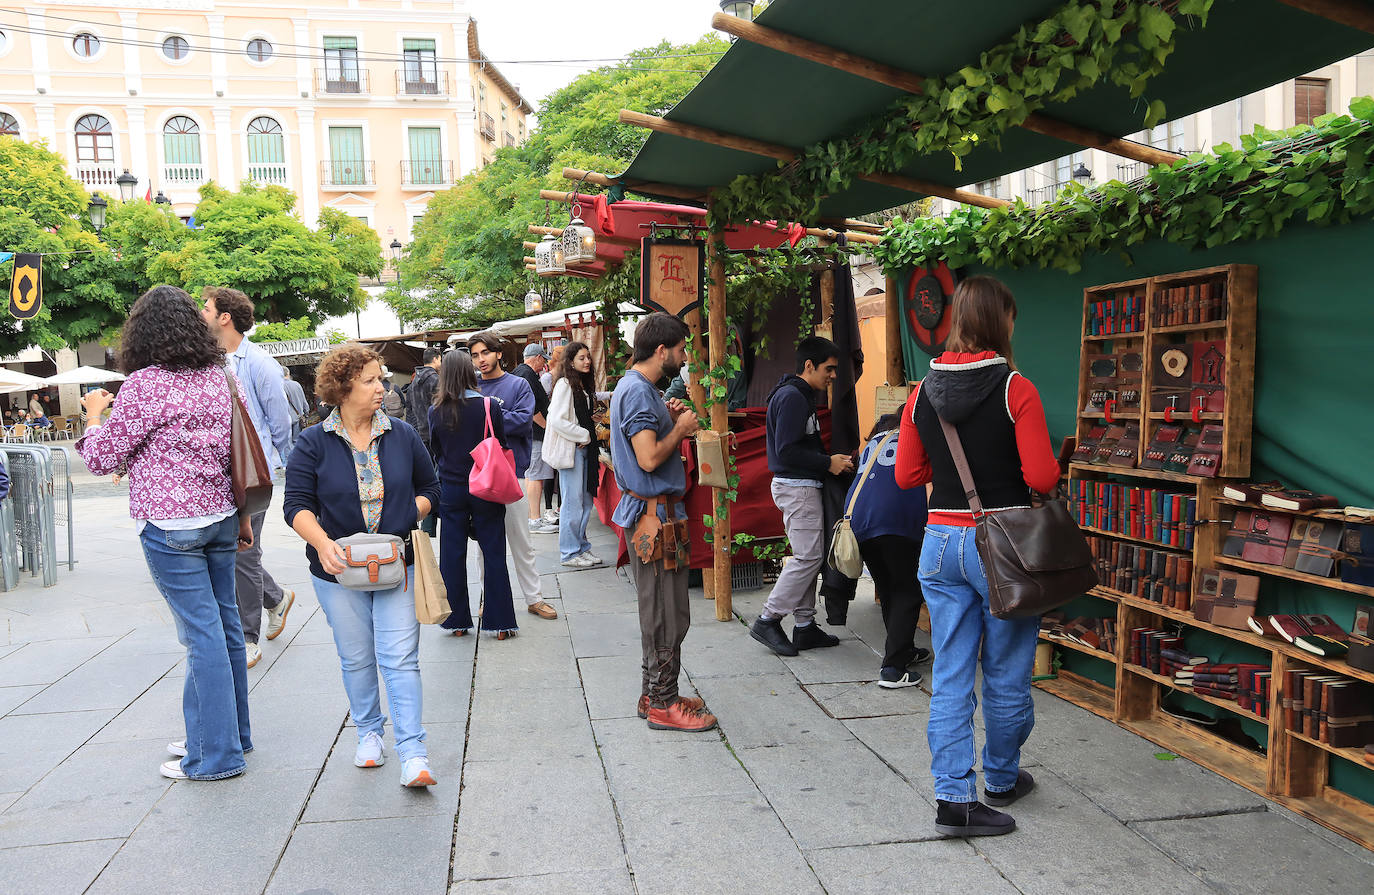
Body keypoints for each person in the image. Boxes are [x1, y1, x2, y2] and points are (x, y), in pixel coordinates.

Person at [894, 275, 1059, 837]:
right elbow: (1041, 476)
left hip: (940, 542)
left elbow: (906, 473)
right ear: (1000, 321)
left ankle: (953, 798)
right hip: (1004, 545)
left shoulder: (921, 392)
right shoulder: (1017, 389)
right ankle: (1002, 777)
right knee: (1008, 670)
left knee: (952, 671)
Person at [77, 285, 251, 781]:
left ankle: (215, 756)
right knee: (226, 627)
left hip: (172, 526)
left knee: (203, 637)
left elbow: (100, 457)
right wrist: (240, 517)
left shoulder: (144, 385)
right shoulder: (219, 376)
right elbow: (230, 452)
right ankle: (229, 733)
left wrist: (93, 417)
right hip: (220, 514)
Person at [283, 344, 441, 787]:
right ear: (343, 387)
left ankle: (414, 752)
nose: (381, 386)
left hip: (397, 566)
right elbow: (296, 504)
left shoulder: (403, 434)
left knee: (400, 659)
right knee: (355, 658)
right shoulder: (313, 441)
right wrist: (322, 543)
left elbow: (433, 487)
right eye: (371, 379)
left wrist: (410, 513)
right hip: (337, 571)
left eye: (380, 377)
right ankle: (369, 733)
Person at [610, 312, 716, 732]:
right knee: (665, 614)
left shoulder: (640, 388)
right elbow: (649, 457)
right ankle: (662, 702)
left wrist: (669, 418)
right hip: (654, 518)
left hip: (658, 515)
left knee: (662, 610)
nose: (685, 355)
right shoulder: (637, 391)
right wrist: (683, 426)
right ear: (661, 350)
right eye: (681, 348)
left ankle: (653, 692)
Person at [201, 286, 295, 666]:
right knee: (230, 548)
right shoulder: (209, 361)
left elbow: (280, 422)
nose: (201, 314)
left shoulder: (258, 363)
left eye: (206, 308)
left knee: (244, 551)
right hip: (222, 473)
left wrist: (272, 463)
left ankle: (247, 637)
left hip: (254, 473)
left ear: (225, 317)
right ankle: (276, 598)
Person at [749, 336, 855, 657]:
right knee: (808, 558)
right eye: (829, 368)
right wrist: (829, 463)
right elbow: (787, 450)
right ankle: (768, 619)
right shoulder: (794, 397)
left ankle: (805, 626)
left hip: (799, 486)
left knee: (808, 556)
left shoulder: (795, 394)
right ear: (809, 366)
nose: (833, 375)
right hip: (798, 487)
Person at [467, 332, 558, 621]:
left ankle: (534, 598)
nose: (481, 360)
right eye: (475, 355)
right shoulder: (471, 387)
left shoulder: (518, 384)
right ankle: (489, 598)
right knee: (484, 544)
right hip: (480, 475)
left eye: (485, 353)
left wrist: (485, 418)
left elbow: (522, 422)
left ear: (498, 354)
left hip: (512, 472)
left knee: (521, 541)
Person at [429, 350, 517, 639]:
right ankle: (500, 622)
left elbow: (436, 450)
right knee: (493, 552)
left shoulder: (436, 410)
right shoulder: (489, 406)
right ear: (469, 371)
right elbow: (501, 443)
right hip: (486, 486)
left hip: (452, 489)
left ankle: (456, 622)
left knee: (452, 555)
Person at [844, 413, 930, 689]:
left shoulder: (877, 439)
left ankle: (901, 649)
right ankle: (893, 668)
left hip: (859, 520)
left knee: (889, 589)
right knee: (907, 590)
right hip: (896, 520)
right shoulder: (916, 437)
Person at [546, 341, 601, 568]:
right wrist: (583, 434)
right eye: (581, 358)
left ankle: (580, 546)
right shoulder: (565, 385)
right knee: (572, 502)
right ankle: (569, 552)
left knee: (585, 500)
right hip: (573, 451)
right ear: (570, 361)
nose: (587, 361)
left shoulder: (580, 384)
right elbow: (556, 419)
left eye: (588, 357)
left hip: (583, 450)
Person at [511, 343, 558, 533]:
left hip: (529, 432)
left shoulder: (519, 372)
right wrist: (548, 428)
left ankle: (533, 517)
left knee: (532, 475)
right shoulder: (527, 375)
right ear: (537, 357)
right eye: (542, 361)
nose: (543, 366)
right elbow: (530, 408)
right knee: (536, 476)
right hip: (535, 432)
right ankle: (534, 519)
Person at [408, 347, 443, 537]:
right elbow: (441, 408)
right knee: (435, 479)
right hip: (435, 432)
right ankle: (429, 523)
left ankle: (428, 525)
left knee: (429, 479)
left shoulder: (414, 381)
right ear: (436, 359)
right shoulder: (435, 380)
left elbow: (411, 409)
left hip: (421, 433)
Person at [281, 366, 310, 461]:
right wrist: (306, 414)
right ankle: (299, 461)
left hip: (285, 419)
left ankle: (290, 464)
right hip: (298, 417)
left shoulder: (278, 386)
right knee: (297, 441)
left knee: (287, 444)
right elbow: (304, 401)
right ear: (288, 374)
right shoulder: (297, 384)